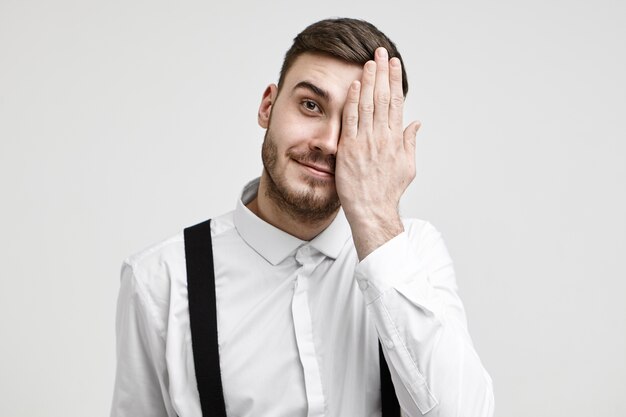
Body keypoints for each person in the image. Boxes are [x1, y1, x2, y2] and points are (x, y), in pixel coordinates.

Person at [110, 17, 494, 417]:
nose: (328, 143)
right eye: (311, 105)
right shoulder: (160, 279)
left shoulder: (412, 252)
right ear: (267, 106)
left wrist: (377, 219)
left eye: (354, 122)